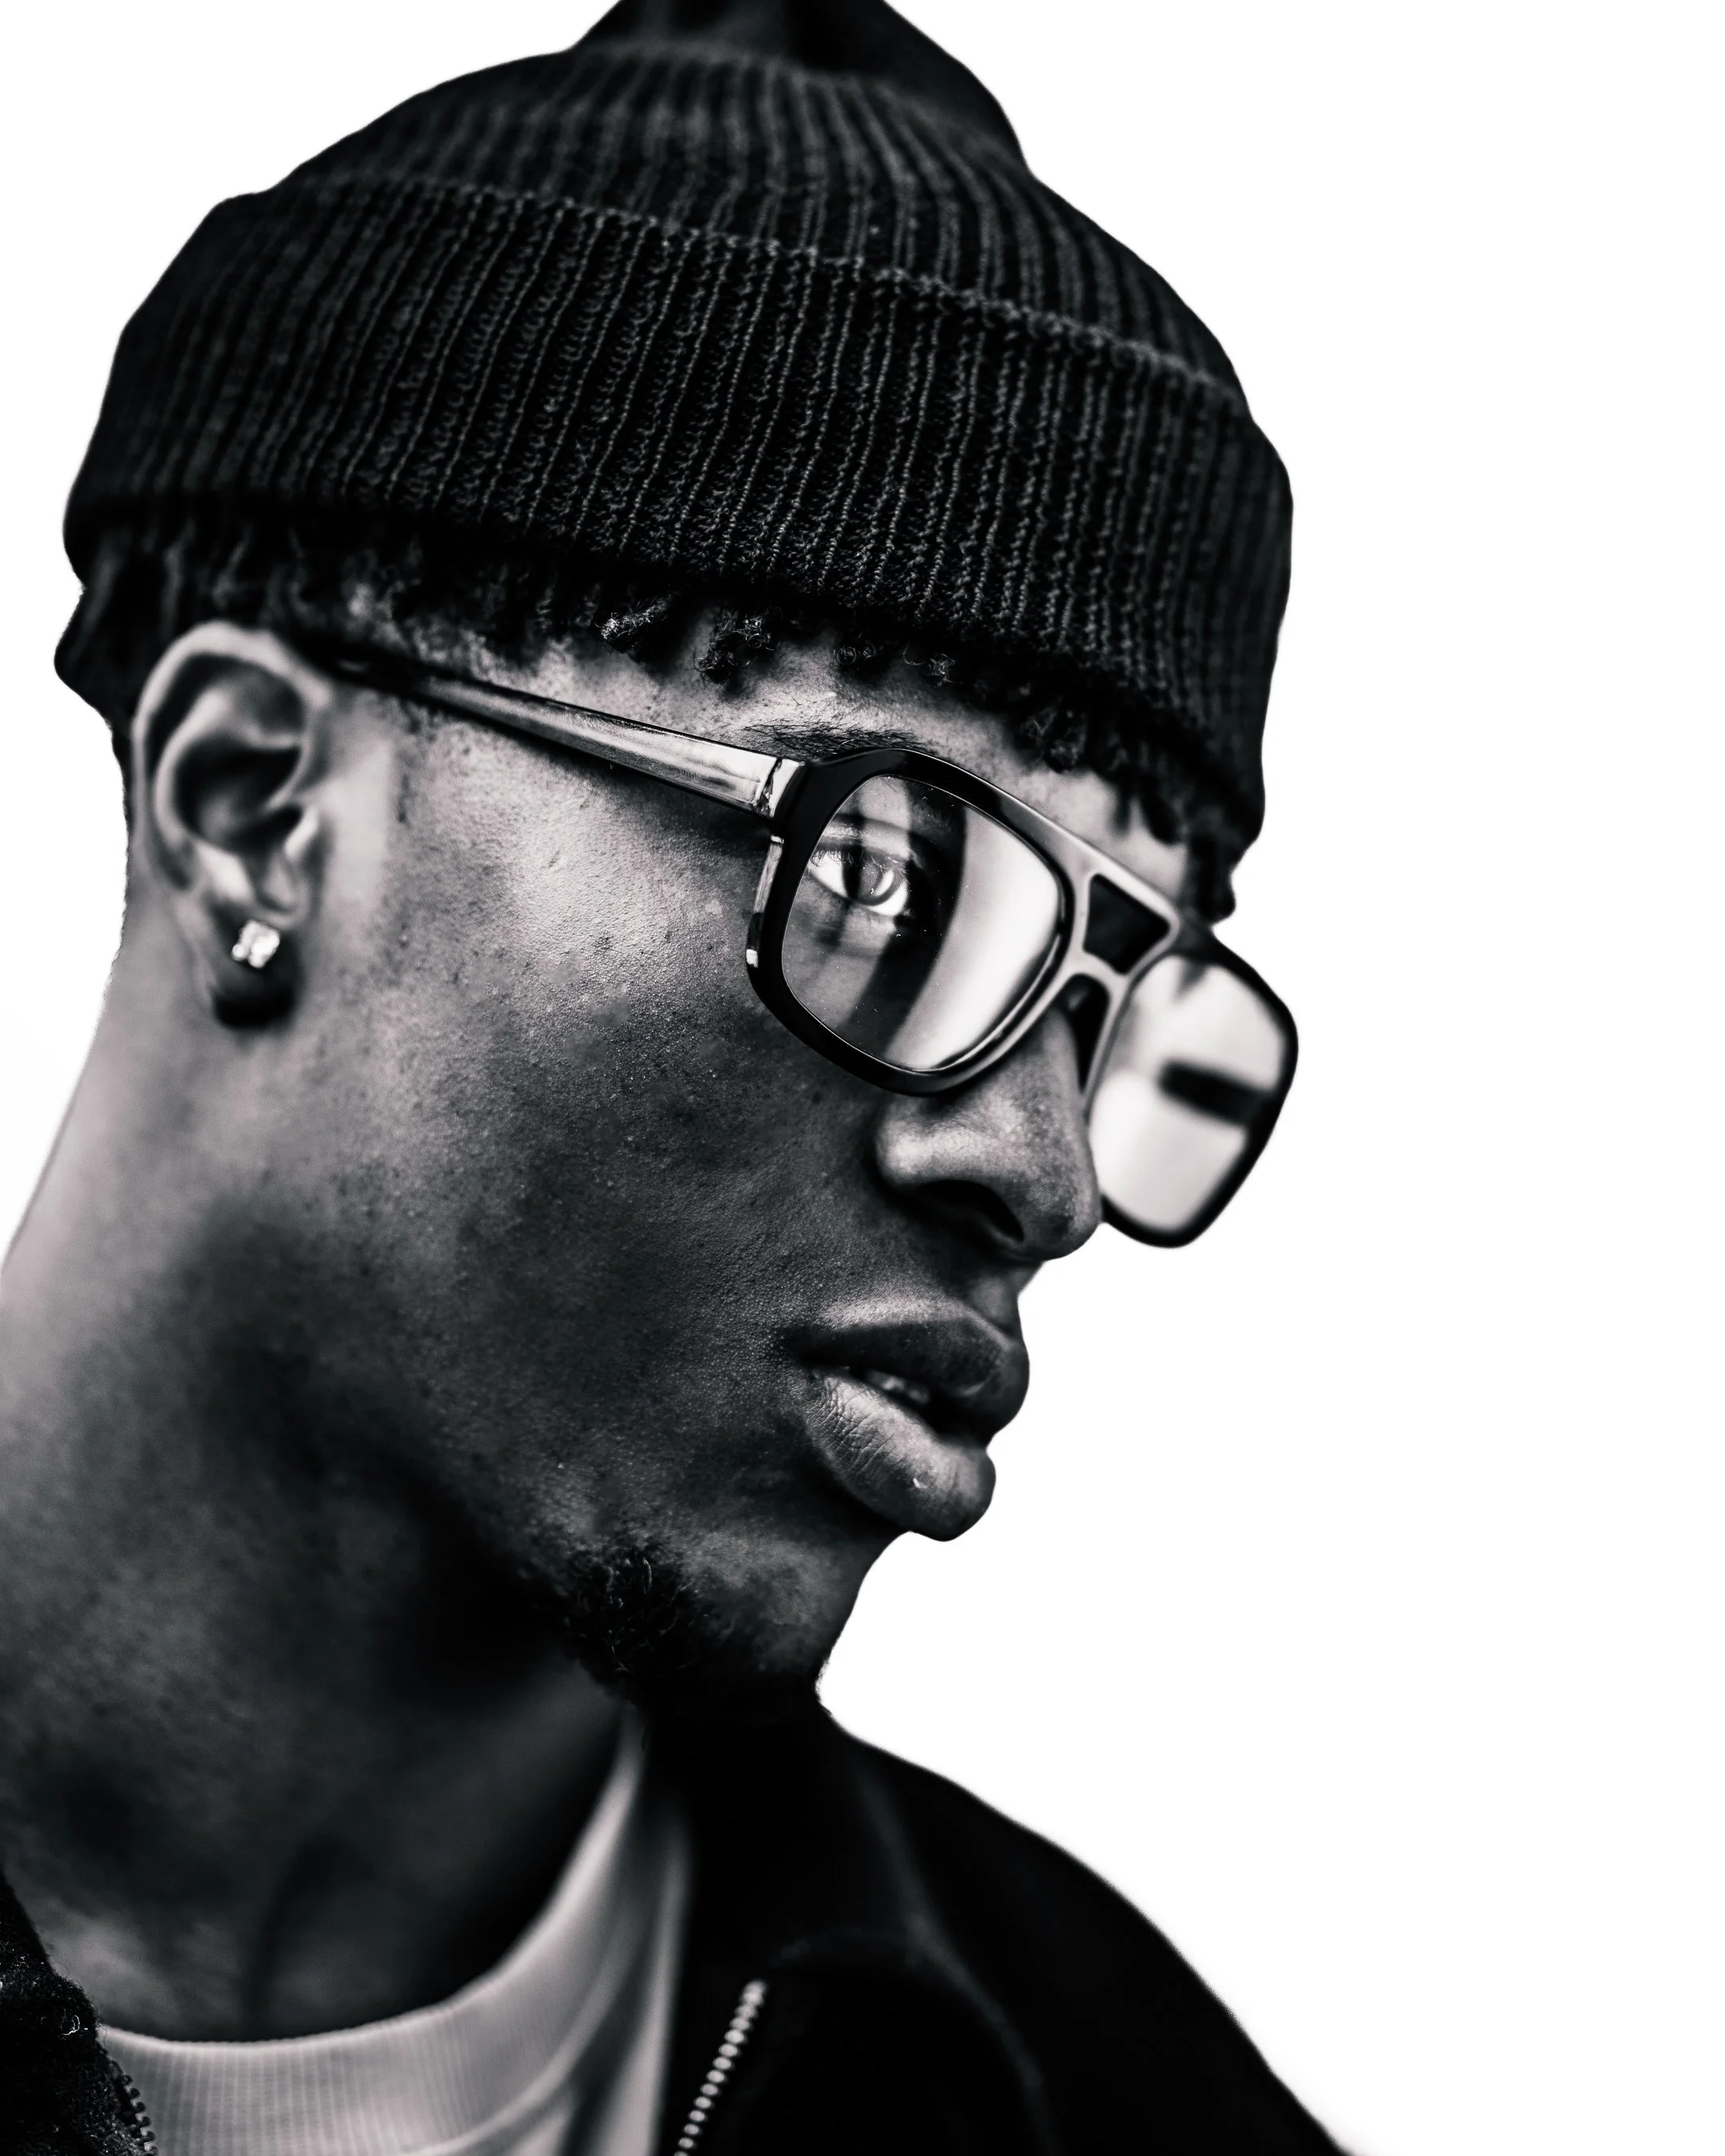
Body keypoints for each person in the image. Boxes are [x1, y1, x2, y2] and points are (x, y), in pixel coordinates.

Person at [0, 2, 1331, 2150]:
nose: (1054, 1170)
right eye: (894, 884)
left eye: (1124, 995)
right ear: (253, 807)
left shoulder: (1109, 2104)